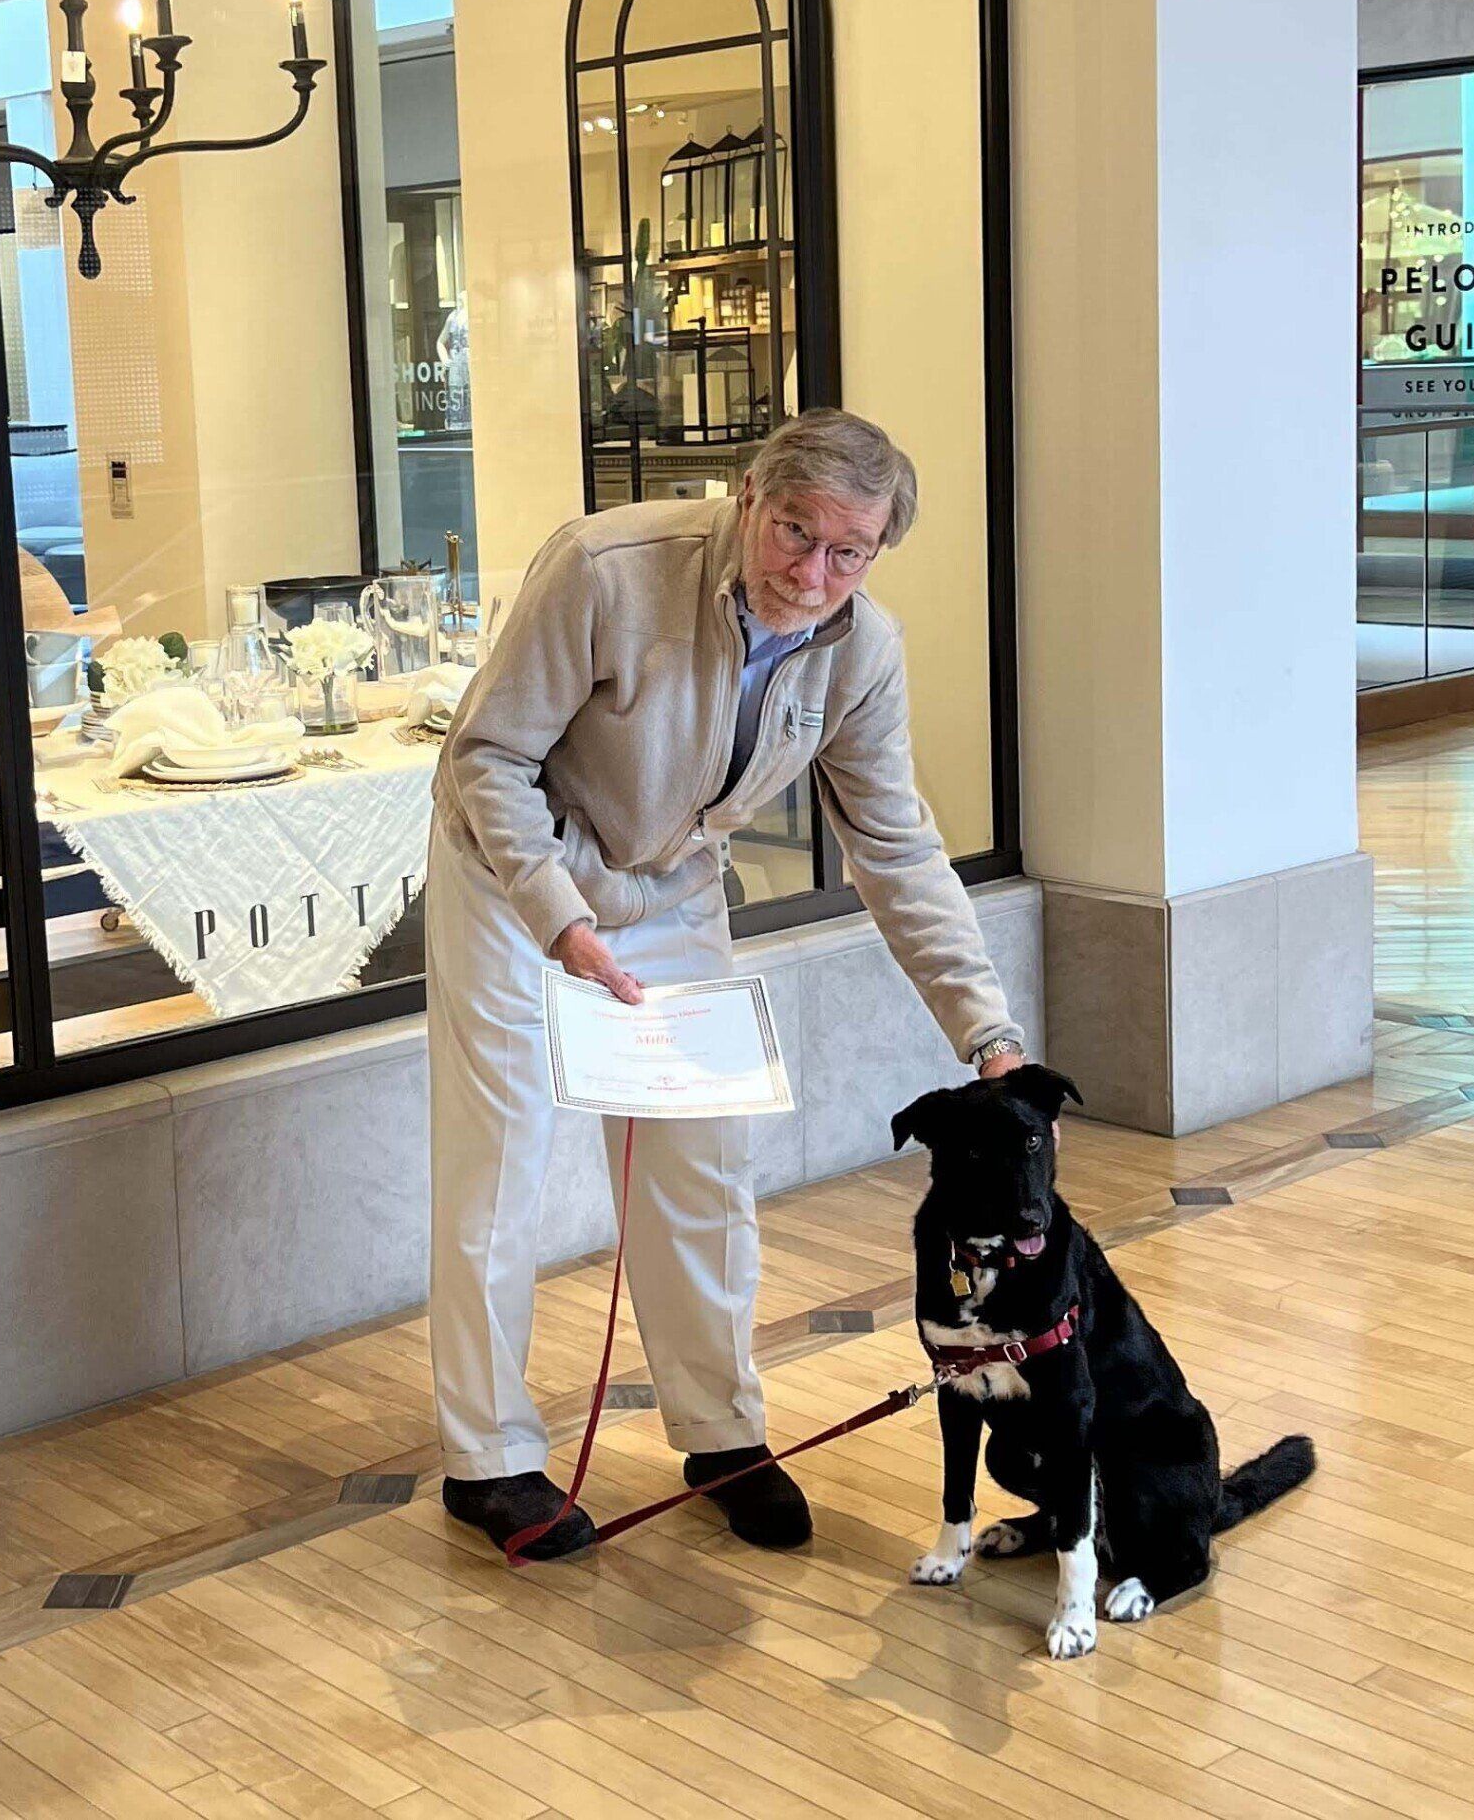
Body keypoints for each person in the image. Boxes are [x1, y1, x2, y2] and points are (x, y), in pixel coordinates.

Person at [425, 406, 1025, 1560]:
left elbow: (896, 847)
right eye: (795, 531)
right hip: (515, 873)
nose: (812, 572)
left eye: (848, 551)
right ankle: (488, 1459)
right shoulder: (606, 566)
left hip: (672, 885)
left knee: (702, 1165)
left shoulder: (862, 650)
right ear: (749, 494)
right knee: (498, 1161)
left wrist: (989, 1034)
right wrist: (558, 916)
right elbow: (485, 755)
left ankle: (719, 1433)